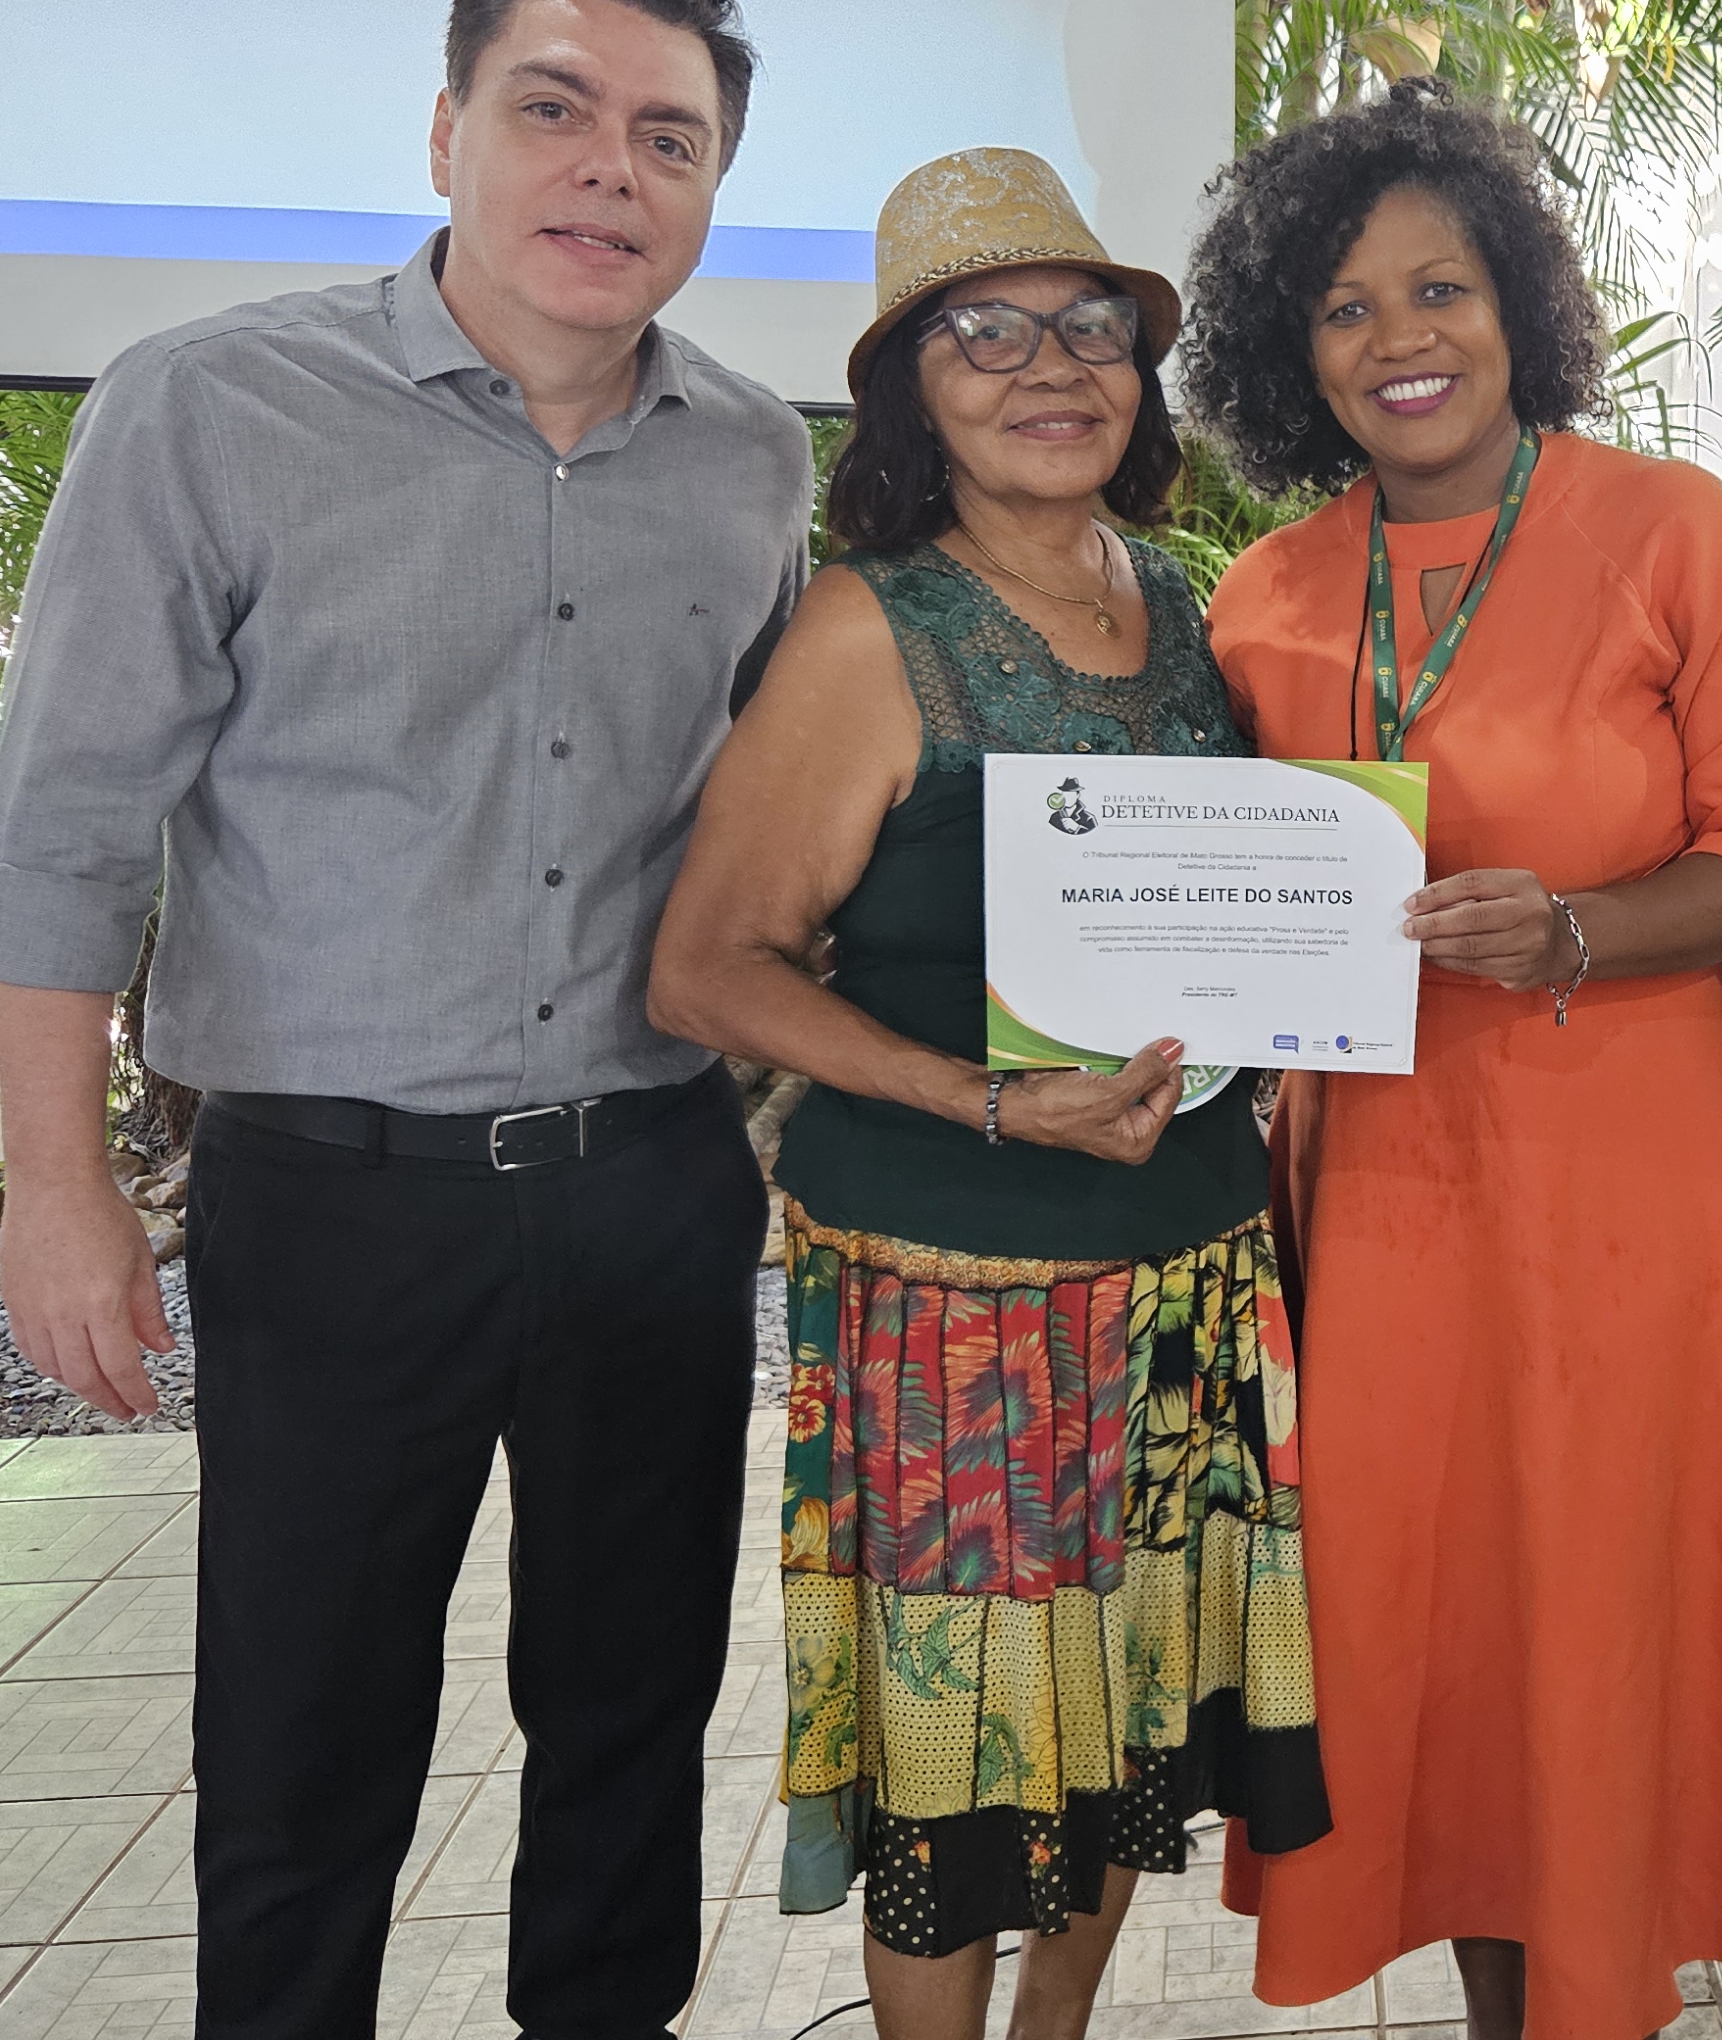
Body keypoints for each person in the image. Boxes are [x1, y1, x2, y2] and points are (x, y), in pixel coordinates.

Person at [0, 0, 808, 2038]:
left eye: (670, 138)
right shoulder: (210, 409)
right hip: (333, 1200)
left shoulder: (750, 458)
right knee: (303, 1740)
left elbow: (761, 822)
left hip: (650, 1181)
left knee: (632, 1720)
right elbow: (66, 823)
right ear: (447, 132)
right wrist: (59, 1185)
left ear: (712, 187)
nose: (610, 170)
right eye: (555, 109)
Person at [1178, 76, 1722, 2040]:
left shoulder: (1673, 535)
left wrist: (1574, 930)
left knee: (1603, 1609)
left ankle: (1597, 2000)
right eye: (1343, 306)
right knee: (1443, 1624)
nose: (1399, 338)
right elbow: (1212, 892)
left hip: (1634, 1181)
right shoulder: (1264, 597)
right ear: (1291, 352)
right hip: (1381, 1198)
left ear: (1517, 304)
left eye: (1439, 288)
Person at [647, 149, 1327, 2039]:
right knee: (964, 1781)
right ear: (909, 394)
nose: (1051, 368)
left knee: (1125, 1729)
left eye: (1089, 327)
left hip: (1189, 1271)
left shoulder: (1180, 600)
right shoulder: (869, 630)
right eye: (985, 335)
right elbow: (706, 969)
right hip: (960, 1310)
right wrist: (990, 1101)